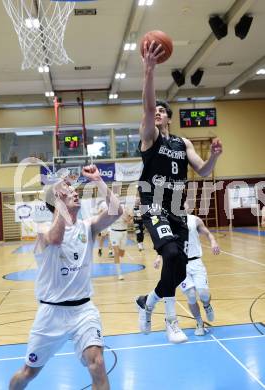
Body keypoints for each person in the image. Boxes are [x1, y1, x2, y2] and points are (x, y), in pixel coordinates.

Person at [135, 40, 223, 343]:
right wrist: (149, 71)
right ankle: (170, 321)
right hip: (153, 205)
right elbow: (147, 106)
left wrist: (214, 156)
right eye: (155, 111)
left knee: (179, 269)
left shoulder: (183, 143)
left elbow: (203, 170)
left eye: (162, 111)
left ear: (169, 117)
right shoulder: (150, 137)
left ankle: (147, 302)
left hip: (177, 210)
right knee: (171, 253)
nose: (157, 113)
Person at [9, 165, 122, 390]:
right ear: (56, 200)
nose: (74, 191)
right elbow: (56, 238)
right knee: (28, 372)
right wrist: (59, 203)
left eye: (73, 188)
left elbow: (117, 211)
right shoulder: (42, 230)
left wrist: (99, 180)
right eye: (67, 189)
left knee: (97, 363)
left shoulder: (87, 227)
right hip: (51, 313)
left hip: (83, 310)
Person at [154, 204, 220, 336]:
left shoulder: (194, 220)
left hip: (196, 262)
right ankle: (199, 322)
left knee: (203, 293)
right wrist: (159, 257)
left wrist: (213, 242)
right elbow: (166, 244)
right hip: (180, 264)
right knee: (190, 296)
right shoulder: (169, 224)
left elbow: (207, 233)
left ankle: (207, 305)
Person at [108, 196, 133, 280]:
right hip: (114, 232)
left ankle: (117, 262)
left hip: (124, 233)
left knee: (121, 254)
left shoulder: (125, 209)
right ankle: (119, 273)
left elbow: (129, 221)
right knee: (116, 252)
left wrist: (128, 217)